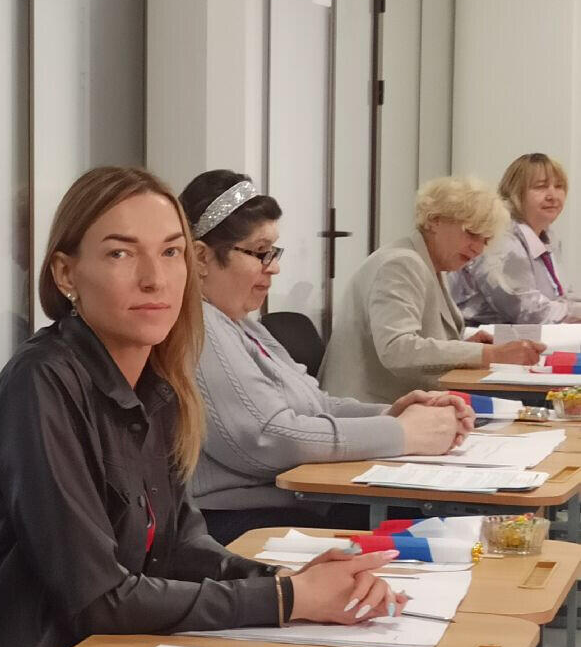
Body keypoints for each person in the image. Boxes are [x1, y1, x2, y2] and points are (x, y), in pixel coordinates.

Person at [0, 166, 411, 647]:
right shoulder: (42, 384)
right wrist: (289, 600)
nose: (154, 278)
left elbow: (181, 548)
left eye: (170, 253)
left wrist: (292, 582)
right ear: (65, 274)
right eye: (120, 253)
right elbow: (99, 599)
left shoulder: (156, 384)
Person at [183, 169, 471, 544]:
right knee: (445, 531)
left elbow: (318, 404)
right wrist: (402, 433)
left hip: (288, 505)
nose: (274, 266)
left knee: (451, 526)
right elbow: (269, 438)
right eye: (259, 252)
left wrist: (394, 413)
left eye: (274, 252)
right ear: (201, 257)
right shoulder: (200, 325)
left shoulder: (240, 323)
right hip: (239, 524)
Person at [319, 176, 542, 404]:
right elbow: (397, 349)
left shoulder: (429, 263)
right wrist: (489, 355)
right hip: (367, 410)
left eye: (485, 240)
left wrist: (466, 348)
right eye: (472, 233)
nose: (477, 248)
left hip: (402, 404)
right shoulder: (401, 264)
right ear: (434, 220)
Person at [450, 152, 574, 324]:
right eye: (541, 187)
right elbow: (527, 311)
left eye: (559, 186)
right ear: (515, 193)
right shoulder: (501, 239)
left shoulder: (547, 237)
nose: (552, 196)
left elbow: (562, 297)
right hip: (479, 337)